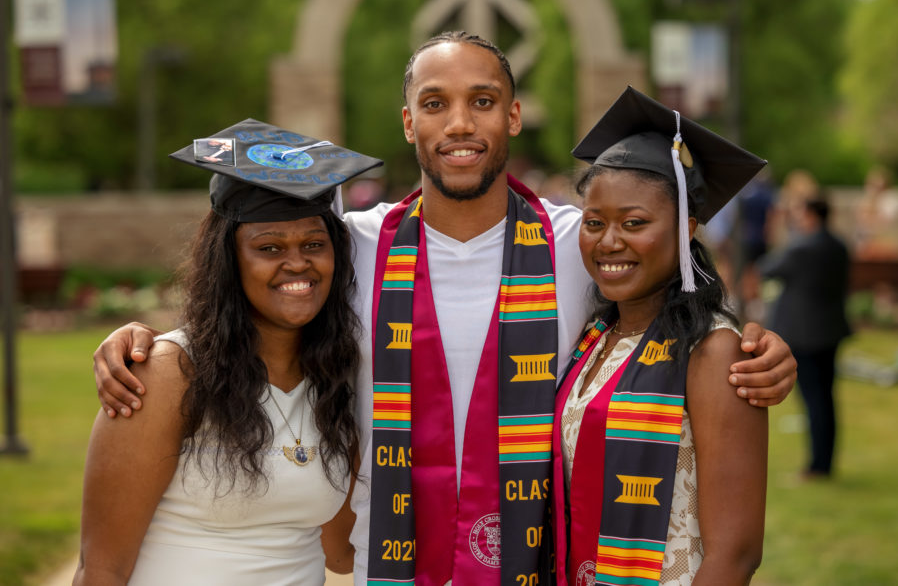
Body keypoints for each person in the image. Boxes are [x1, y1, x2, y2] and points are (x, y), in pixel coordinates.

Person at [91, 32, 798, 585]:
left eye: (483, 101)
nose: (460, 123)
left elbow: (661, 303)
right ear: (408, 122)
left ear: (513, 114)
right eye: (435, 103)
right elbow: (256, 295)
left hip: (530, 565)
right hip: (386, 566)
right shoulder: (352, 247)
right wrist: (142, 342)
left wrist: (760, 347)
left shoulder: (571, 240)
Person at [74, 120, 383, 584]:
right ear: (229, 260)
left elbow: (342, 552)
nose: (297, 262)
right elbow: (101, 571)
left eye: (314, 244)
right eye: (269, 247)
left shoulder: (336, 380)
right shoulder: (166, 376)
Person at [552, 87, 768, 585]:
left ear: (686, 228)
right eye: (594, 223)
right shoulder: (593, 337)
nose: (609, 241)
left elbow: (735, 555)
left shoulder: (714, 351)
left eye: (634, 223)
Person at [760, 195, 851, 479]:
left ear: (810, 216)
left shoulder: (802, 246)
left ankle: (817, 467)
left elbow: (767, 268)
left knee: (814, 401)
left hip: (805, 334)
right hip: (831, 330)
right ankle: (825, 462)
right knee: (826, 398)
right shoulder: (839, 246)